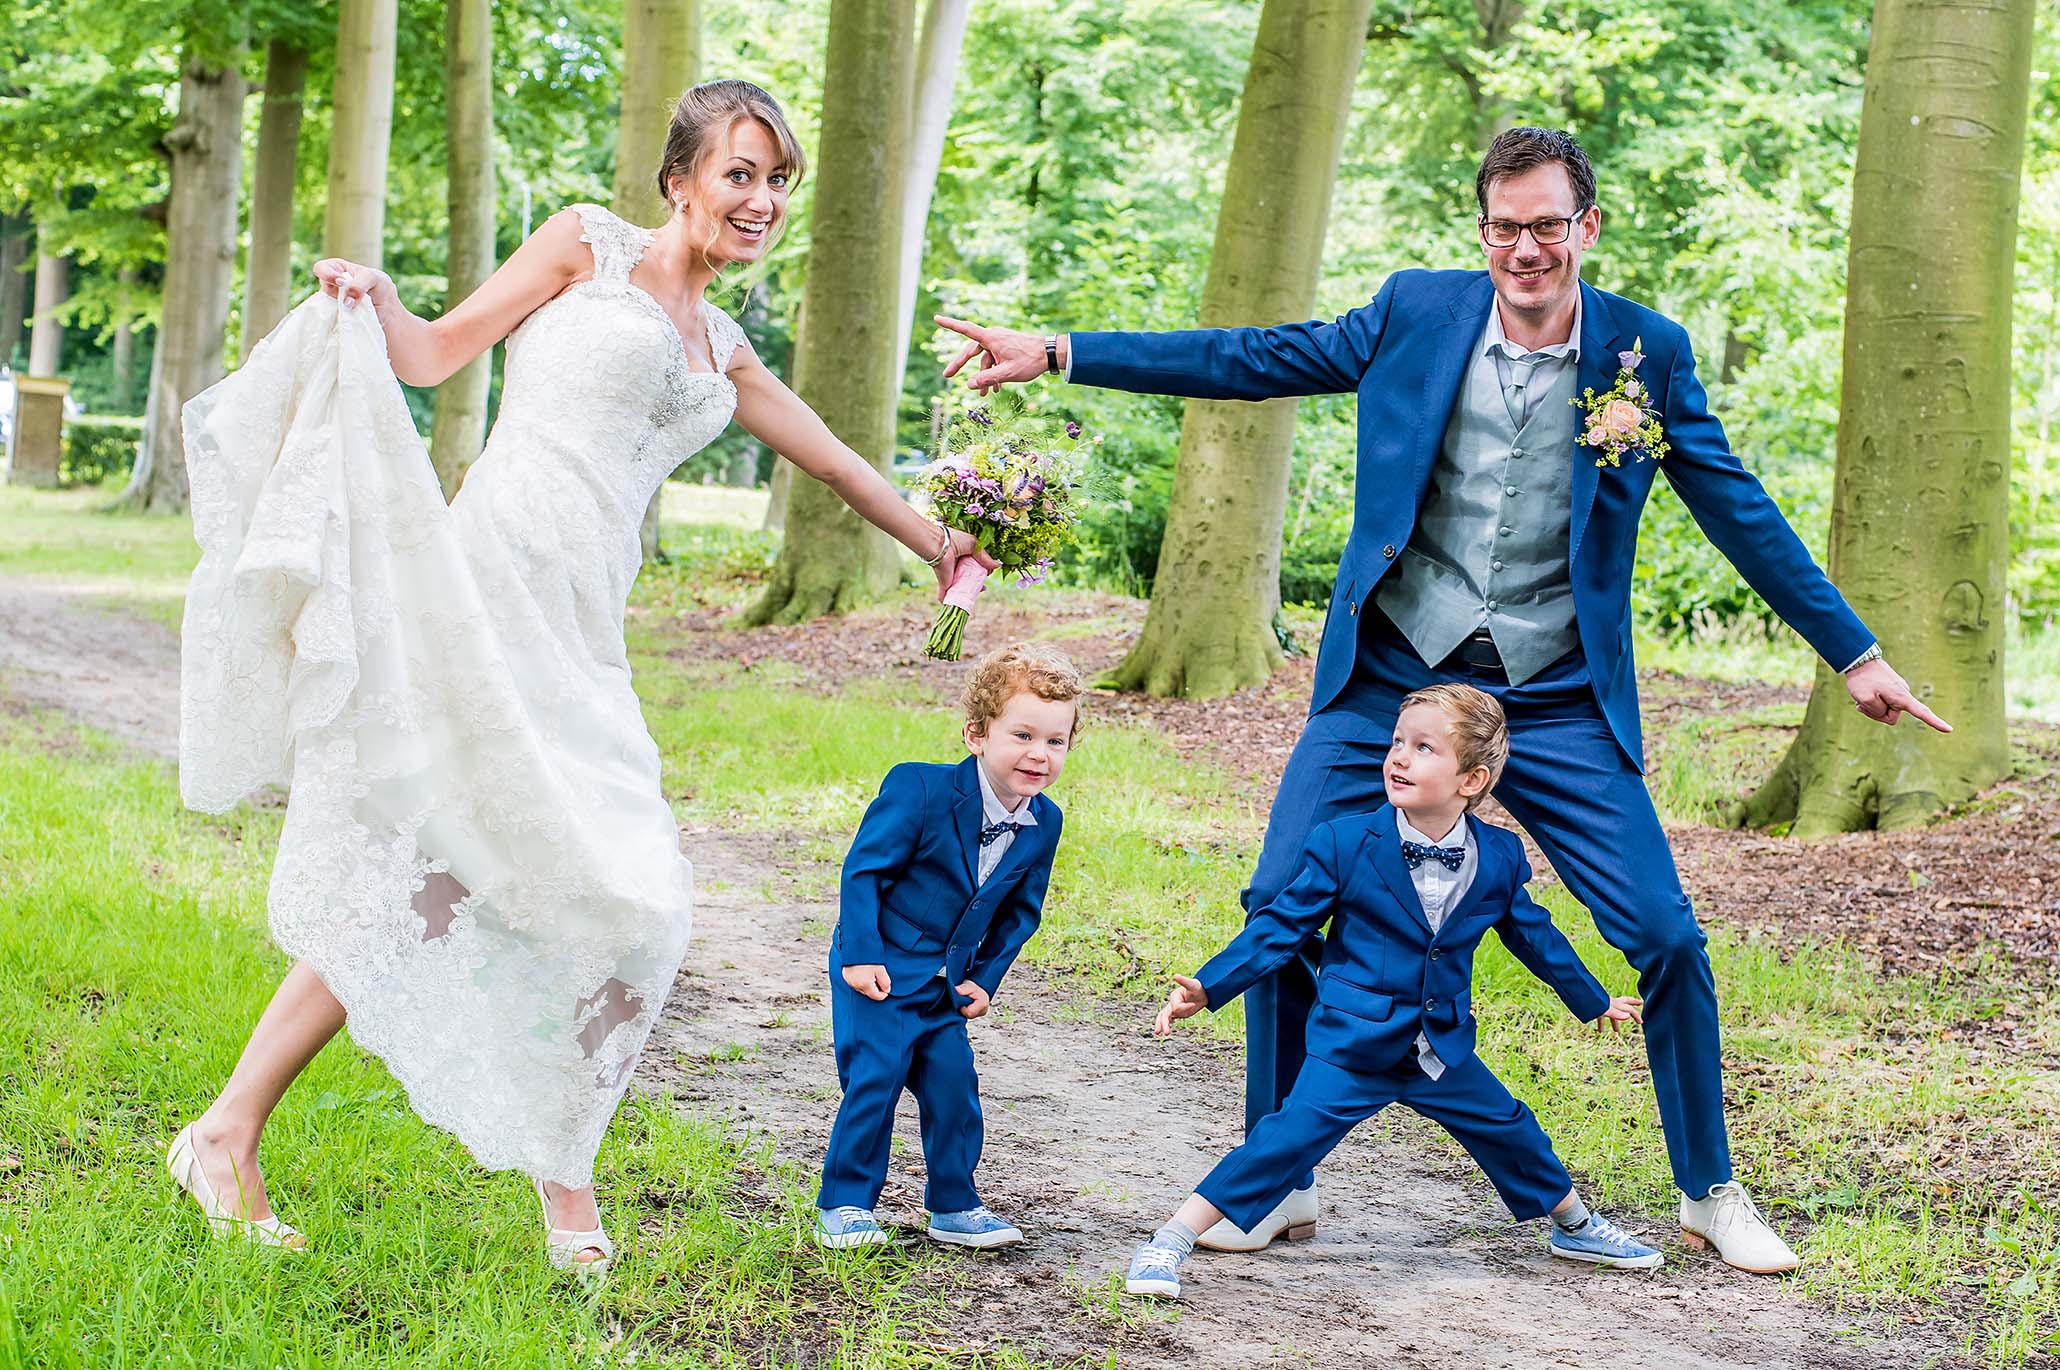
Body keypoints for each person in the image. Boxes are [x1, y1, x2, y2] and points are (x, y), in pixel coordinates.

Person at [934, 126, 1951, 1275]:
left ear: (1587, 228)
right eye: (1505, 226)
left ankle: (1706, 1185)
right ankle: (1278, 1180)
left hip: (1556, 696)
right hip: (1390, 677)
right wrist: (1063, 350)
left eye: (1547, 226)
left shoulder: (1643, 353)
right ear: (1482, 232)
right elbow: (1251, 357)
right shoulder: (1415, 313)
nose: (1526, 248)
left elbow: (1736, 507)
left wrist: (1852, 651)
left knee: (1663, 931)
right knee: (1279, 894)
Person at [168, 79, 985, 1272]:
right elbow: (437, 354)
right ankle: (530, 1190)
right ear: (679, 180)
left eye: (775, 183)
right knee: (448, 868)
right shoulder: (579, 248)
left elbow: (844, 467)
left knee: (617, 896)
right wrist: (377, 295)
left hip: (582, 630)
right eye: (738, 174)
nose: (758, 201)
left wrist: (941, 544)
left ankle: (239, 1129)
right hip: (486, 588)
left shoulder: (727, 347)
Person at [1125, 683, 1655, 1300]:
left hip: (1438, 1048)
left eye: (1423, 747)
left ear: (1471, 779)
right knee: (1283, 1139)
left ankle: (1576, 1226)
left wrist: (1593, 1000)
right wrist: (1208, 987)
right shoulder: (1346, 843)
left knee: (1510, 1126)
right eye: (1397, 742)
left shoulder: (1502, 855)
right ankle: (1171, 1239)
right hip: (1355, 1043)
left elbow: (1534, 936)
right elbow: (1279, 928)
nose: (1398, 757)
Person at [815, 643, 1077, 1250]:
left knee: (954, 1086)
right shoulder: (920, 789)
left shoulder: (1046, 821)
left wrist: (984, 977)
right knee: (875, 1080)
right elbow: (864, 873)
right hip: (878, 969)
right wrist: (859, 954)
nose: (1038, 754)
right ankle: (845, 1203)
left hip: (944, 984)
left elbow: (1020, 913)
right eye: (1022, 735)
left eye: (1055, 742)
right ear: (977, 735)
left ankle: (955, 1205)